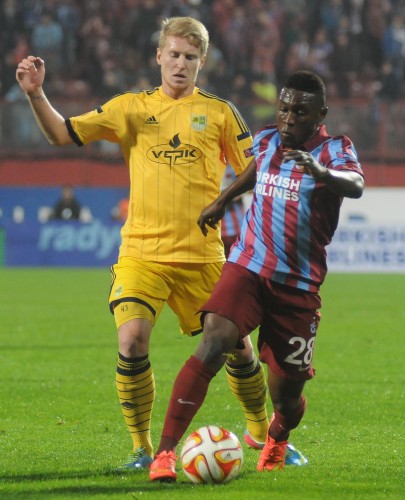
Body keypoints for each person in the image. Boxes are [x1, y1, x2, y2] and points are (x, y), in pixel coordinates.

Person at [16, 16, 305, 471]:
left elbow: (256, 167)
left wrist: (247, 198)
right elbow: (62, 133)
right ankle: (142, 449)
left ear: (202, 62)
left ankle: (260, 432)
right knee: (131, 341)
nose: (180, 63)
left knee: (239, 348)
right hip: (142, 254)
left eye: (190, 57)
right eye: (173, 54)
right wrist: (36, 94)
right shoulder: (131, 107)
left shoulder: (220, 112)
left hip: (202, 257)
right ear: (159, 56)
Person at [149, 70, 365, 481]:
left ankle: (277, 437)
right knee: (213, 342)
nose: (288, 119)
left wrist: (322, 174)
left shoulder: (335, 149)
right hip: (247, 267)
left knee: (286, 398)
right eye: (283, 109)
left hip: (297, 287)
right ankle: (164, 454)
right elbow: (255, 170)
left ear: (320, 115)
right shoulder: (266, 140)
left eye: (299, 112)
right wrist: (223, 200)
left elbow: (355, 184)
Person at [220, 165, 246, 258]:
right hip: (218, 230)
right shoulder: (208, 164)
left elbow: (246, 187)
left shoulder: (236, 164)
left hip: (237, 227)